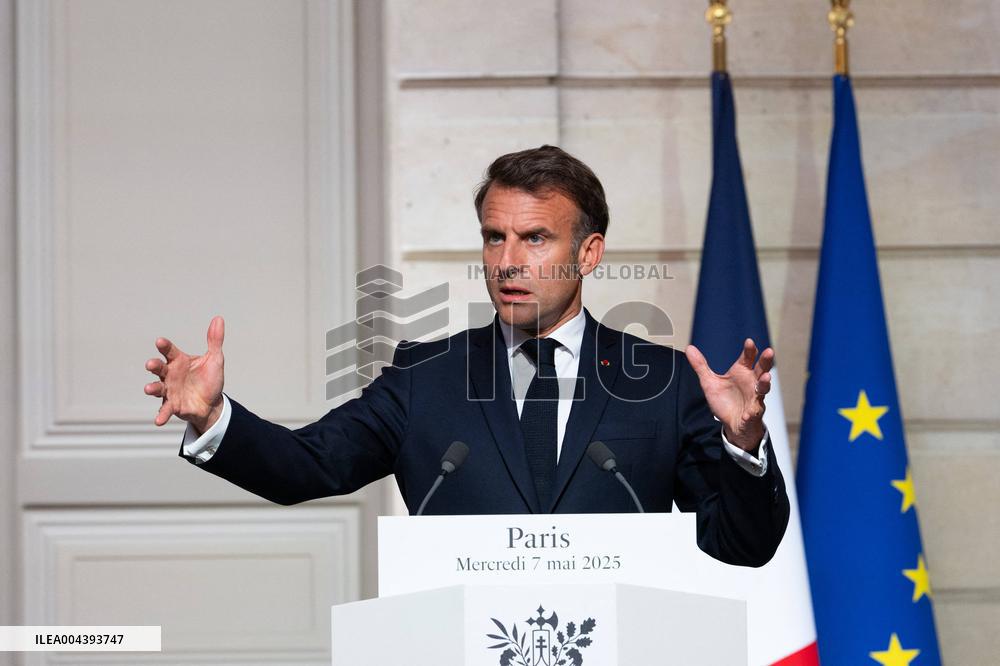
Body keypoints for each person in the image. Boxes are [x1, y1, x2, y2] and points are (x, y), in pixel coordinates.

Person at [143, 145, 788, 567]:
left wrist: (743, 448)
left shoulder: (664, 383)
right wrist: (213, 418)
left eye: (535, 238)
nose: (508, 261)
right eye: (494, 237)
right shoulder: (426, 380)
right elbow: (304, 467)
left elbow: (744, 546)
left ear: (588, 253)